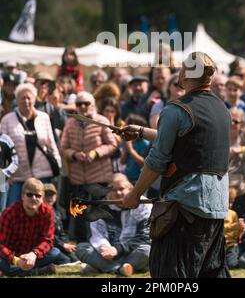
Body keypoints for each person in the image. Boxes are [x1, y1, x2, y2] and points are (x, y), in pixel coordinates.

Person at [121, 52, 232, 278]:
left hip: (185, 208)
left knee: (170, 277)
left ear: (187, 74)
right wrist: (142, 132)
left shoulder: (175, 109)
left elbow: (156, 160)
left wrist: (134, 194)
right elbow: (189, 140)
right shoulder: (222, 109)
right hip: (216, 208)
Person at [60, 91, 119, 242]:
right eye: (79, 104)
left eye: (86, 104)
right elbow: (63, 147)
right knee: (79, 213)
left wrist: (95, 153)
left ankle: (103, 241)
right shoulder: (70, 123)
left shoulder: (101, 121)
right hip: (78, 177)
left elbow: (113, 144)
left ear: (92, 105)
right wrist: (74, 154)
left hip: (99, 176)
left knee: (99, 212)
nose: (83, 107)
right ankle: (81, 243)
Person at [76, 173, 151, 277]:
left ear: (130, 189)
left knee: (148, 251)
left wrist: (118, 249)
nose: (118, 193)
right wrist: (105, 248)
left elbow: (145, 237)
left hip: (133, 251)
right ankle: (120, 269)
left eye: (122, 189)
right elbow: (97, 235)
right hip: (109, 254)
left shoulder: (143, 205)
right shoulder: (102, 208)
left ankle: (102, 267)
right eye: (114, 190)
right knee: (81, 248)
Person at [1, 83, 61, 206]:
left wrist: (58, 163)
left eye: (29, 97)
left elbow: (51, 143)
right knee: (14, 209)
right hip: (18, 176)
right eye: (22, 98)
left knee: (43, 210)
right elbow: (3, 150)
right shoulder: (7, 120)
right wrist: (7, 174)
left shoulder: (44, 117)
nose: (26, 101)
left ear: (34, 99)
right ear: (16, 100)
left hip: (43, 173)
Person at [0, 178, 60, 276]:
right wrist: (16, 261)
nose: (34, 198)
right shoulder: (9, 213)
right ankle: (36, 271)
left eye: (38, 195)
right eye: (29, 194)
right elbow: (1, 245)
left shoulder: (48, 213)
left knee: (55, 252)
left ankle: (13, 271)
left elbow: (48, 241)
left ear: (42, 198)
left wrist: (33, 254)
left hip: (33, 256)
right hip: (12, 256)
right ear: (23, 196)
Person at [43, 183, 79, 265]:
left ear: (55, 197)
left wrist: (67, 244)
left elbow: (61, 233)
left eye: (51, 195)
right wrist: (63, 245)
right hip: (47, 246)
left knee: (75, 258)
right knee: (65, 260)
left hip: (57, 245)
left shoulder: (56, 213)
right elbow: (47, 235)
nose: (49, 198)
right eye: (46, 195)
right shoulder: (40, 213)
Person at [120, 114, 150, 184]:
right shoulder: (130, 142)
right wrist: (127, 150)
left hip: (139, 181)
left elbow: (144, 163)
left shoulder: (145, 144)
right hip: (128, 179)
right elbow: (122, 161)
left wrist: (131, 150)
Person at [224, 187, 245, 269]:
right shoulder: (218, 214)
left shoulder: (233, 213)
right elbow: (219, 229)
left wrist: (241, 230)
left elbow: (236, 235)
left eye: (231, 202)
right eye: (227, 202)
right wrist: (234, 226)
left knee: (231, 264)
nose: (229, 205)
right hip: (219, 245)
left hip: (231, 245)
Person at [0, 132, 19, 213]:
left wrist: (4, 173)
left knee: (1, 211)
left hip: (1, 180)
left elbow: (15, 161)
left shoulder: (5, 139)